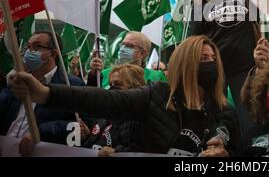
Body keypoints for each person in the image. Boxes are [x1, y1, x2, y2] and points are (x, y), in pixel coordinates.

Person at [9, 35, 240, 157]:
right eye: (202, 59)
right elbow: (102, 100)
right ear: (184, 65)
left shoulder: (225, 112)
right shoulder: (155, 96)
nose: (209, 64)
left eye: (212, 60)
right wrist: (48, 93)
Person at [190, 0, 259, 137]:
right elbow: (193, 38)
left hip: (244, 68)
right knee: (212, 117)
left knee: (250, 120)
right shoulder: (201, 1)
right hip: (213, 68)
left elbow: (258, 27)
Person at [0, 31, 85, 147]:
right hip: (6, 147)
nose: (29, 51)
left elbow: (79, 127)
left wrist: (40, 132)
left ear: (53, 54)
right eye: (28, 46)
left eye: (36, 46)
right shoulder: (20, 79)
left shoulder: (71, 85)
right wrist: (14, 76)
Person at [80, 64, 146, 157]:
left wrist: (117, 153)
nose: (112, 89)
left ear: (135, 88)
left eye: (118, 84)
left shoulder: (141, 120)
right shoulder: (104, 114)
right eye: (111, 84)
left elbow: (143, 151)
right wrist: (88, 136)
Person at [88, 31, 166, 88]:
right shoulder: (104, 74)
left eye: (129, 46)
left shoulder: (157, 77)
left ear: (142, 53)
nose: (122, 49)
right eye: (122, 44)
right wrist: (93, 76)